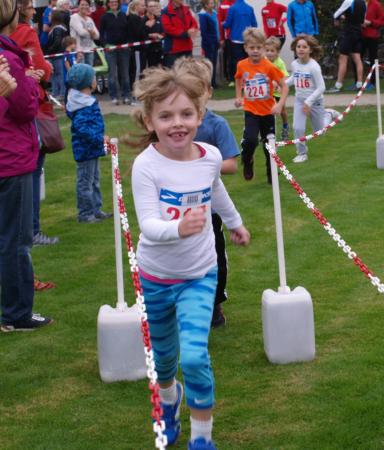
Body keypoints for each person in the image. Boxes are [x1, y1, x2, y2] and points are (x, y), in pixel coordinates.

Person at [130, 65, 250, 450]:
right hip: (155, 277)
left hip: (200, 274)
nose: (177, 123)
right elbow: (148, 225)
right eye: (166, 116)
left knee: (195, 357)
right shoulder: (146, 166)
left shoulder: (210, 156)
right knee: (164, 360)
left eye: (186, 113)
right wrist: (178, 228)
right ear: (150, 121)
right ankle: (170, 399)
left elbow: (216, 191)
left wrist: (235, 223)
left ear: (200, 115)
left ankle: (202, 437)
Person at [174, 57, 241, 328]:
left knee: (214, 259)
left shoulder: (216, 124)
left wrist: (200, 165)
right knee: (179, 259)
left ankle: (214, 305)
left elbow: (231, 164)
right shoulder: (174, 127)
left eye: (197, 90)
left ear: (208, 92)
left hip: (209, 210)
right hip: (176, 211)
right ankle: (181, 304)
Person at [0, 0, 53, 332]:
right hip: (11, 158)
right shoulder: (7, 56)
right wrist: (31, 83)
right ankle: (17, 313)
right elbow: (23, 109)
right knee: (16, 241)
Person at [11, 0, 59, 247]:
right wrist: (45, 68)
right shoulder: (25, 32)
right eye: (30, 7)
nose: (34, 11)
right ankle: (32, 230)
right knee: (30, 172)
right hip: (28, 106)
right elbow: (41, 68)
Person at [234, 27, 288, 183]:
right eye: (252, 48)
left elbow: (284, 86)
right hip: (251, 111)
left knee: (268, 145)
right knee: (250, 140)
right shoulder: (241, 65)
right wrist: (238, 96)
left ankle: (272, 173)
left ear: (263, 48)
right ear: (246, 48)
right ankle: (247, 160)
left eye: (259, 47)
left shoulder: (269, 66)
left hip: (268, 112)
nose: (255, 51)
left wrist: (280, 105)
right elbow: (238, 79)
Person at [66, 63, 112, 223]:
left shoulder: (84, 101)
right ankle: (85, 214)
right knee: (85, 182)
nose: (95, 80)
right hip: (85, 150)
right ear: (86, 82)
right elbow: (83, 129)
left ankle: (96, 210)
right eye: (93, 77)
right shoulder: (82, 105)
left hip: (92, 148)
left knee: (94, 181)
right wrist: (100, 138)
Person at [285, 34, 324, 163]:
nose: (301, 49)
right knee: (298, 128)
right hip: (300, 102)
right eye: (298, 47)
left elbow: (321, 87)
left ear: (310, 50)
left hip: (315, 102)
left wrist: (309, 102)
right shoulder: (294, 64)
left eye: (304, 47)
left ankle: (328, 114)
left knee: (319, 132)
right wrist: (282, 84)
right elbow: (294, 78)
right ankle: (302, 153)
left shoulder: (314, 67)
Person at [327, 0, 366, 93]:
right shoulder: (363, 2)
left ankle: (338, 86)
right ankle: (359, 84)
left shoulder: (348, 1)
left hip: (348, 33)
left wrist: (339, 18)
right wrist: (346, 17)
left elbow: (336, 14)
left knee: (343, 59)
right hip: (358, 32)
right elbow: (361, 19)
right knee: (357, 58)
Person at [100, 0, 131, 105]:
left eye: (115, 2)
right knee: (112, 74)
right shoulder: (104, 17)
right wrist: (105, 45)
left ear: (118, 3)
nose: (113, 3)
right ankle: (114, 96)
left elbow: (128, 31)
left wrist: (128, 44)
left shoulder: (123, 15)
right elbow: (101, 34)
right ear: (108, 4)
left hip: (124, 48)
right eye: (111, 2)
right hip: (111, 49)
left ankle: (126, 95)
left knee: (125, 74)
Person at [223, 0, 257, 78]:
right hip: (247, 39)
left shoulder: (232, 8)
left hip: (236, 39)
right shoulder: (249, 8)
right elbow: (254, 24)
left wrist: (222, 24)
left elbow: (227, 24)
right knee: (248, 60)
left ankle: (239, 79)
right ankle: (249, 78)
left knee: (237, 62)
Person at [160, 0, 198, 67]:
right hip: (173, 51)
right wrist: (185, 33)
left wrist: (192, 29)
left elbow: (193, 22)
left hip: (187, 48)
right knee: (174, 72)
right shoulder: (165, 11)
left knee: (188, 71)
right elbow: (167, 28)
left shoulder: (186, 9)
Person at [264, 36, 289, 140]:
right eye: (267, 50)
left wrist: (279, 85)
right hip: (266, 93)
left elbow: (285, 76)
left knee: (282, 111)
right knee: (266, 112)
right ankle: (266, 132)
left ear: (278, 52)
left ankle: (285, 126)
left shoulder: (280, 63)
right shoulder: (263, 61)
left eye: (272, 51)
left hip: (278, 93)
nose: (269, 53)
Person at [361, 0, 384, 89]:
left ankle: (372, 82)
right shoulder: (359, 3)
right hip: (360, 35)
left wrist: (371, 22)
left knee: (373, 60)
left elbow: (382, 21)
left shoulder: (376, 4)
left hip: (372, 36)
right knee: (357, 58)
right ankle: (358, 82)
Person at [45, 9, 69, 98]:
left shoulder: (58, 29)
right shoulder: (57, 28)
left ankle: (62, 93)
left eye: (50, 15)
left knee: (59, 74)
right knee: (55, 74)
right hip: (56, 55)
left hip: (57, 55)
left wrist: (49, 50)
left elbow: (57, 41)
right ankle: (55, 93)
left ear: (54, 17)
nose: (48, 17)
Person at [70, 0, 99, 66]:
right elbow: (82, 32)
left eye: (86, 5)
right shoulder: (74, 17)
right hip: (78, 51)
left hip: (90, 50)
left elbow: (97, 36)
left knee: (89, 71)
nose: (84, 6)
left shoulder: (90, 19)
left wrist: (87, 30)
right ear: (78, 6)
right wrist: (91, 32)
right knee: (81, 71)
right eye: (82, 5)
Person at [198, 0, 219, 88]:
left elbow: (217, 27)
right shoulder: (203, 15)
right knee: (209, 63)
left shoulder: (214, 13)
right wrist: (209, 42)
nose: (212, 5)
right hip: (209, 43)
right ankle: (209, 82)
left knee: (214, 62)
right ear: (206, 5)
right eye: (210, 3)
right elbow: (204, 31)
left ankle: (213, 82)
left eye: (213, 3)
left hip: (215, 41)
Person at [127, 0, 147, 90]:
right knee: (137, 69)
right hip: (137, 49)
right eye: (142, 6)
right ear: (136, 7)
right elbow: (139, 33)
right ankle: (135, 90)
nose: (144, 7)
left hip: (139, 48)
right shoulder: (134, 18)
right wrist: (146, 25)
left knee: (139, 68)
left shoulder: (136, 17)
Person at [217, 0, 234, 85]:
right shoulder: (223, 6)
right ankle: (228, 77)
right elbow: (220, 23)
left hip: (238, 37)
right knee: (228, 58)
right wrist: (222, 38)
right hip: (228, 37)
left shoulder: (238, 3)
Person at [144, 0, 164, 68]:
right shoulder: (143, 19)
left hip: (159, 49)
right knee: (149, 70)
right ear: (147, 8)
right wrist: (150, 35)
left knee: (160, 69)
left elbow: (163, 32)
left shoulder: (159, 19)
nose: (153, 8)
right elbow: (139, 34)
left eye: (154, 6)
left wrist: (160, 36)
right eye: (150, 6)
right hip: (147, 50)